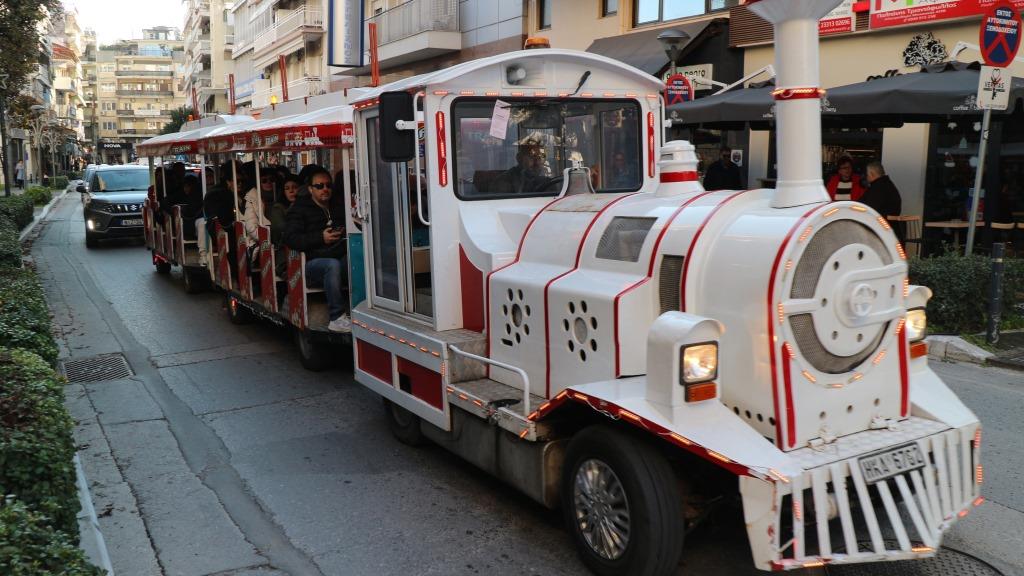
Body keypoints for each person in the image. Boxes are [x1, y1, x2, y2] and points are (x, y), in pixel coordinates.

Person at [284, 168, 350, 333]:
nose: (325, 189)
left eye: (328, 185)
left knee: (357, 257)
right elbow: (291, 239)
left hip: (337, 254)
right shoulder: (299, 209)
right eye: (319, 186)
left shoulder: (338, 206)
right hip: (310, 263)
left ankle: (361, 308)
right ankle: (337, 318)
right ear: (310, 189)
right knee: (332, 265)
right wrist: (321, 238)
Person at [242, 167, 278, 248]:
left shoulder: (281, 196)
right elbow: (251, 228)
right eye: (264, 181)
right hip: (262, 244)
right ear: (258, 183)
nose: (268, 182)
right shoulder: (253, 199)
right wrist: (267, 240)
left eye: (271, 179)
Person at [270, 174, 300, 246]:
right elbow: (281, 228)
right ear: (283, 192)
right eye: (287, 188)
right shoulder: (278, 208)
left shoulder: (306, 205)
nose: (291, 191)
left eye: (295, 187)